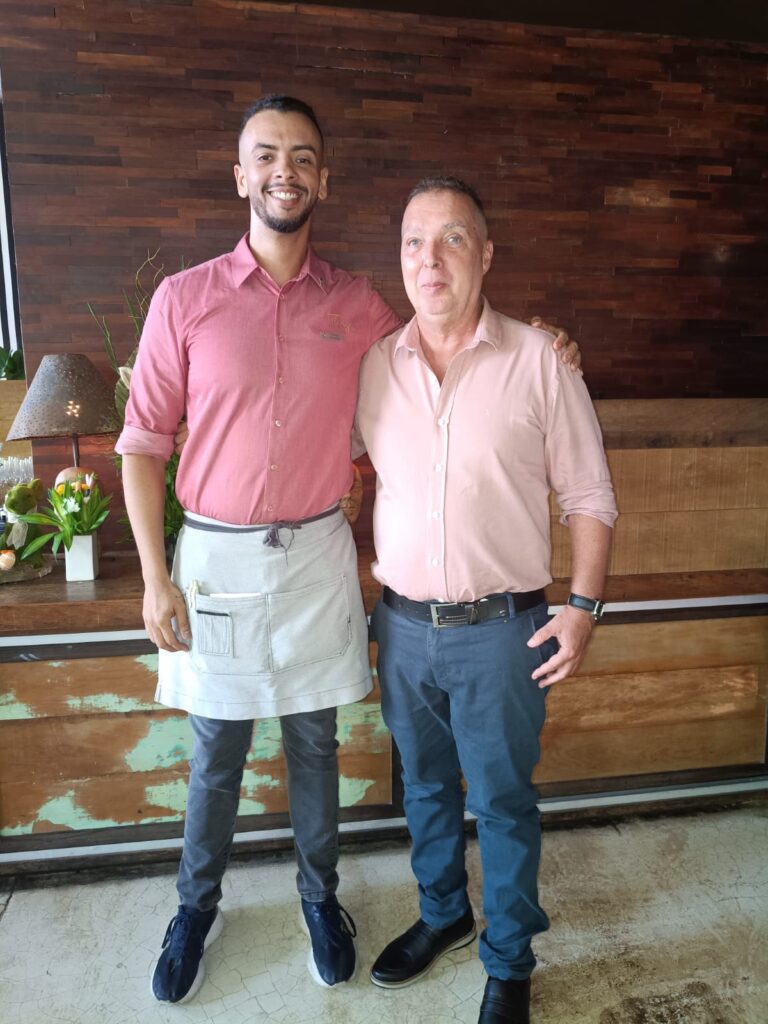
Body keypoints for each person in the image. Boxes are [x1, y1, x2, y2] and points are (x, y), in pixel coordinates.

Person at [116, 96, 580, 1006]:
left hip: (315, 554)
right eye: (265, 155)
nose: (283, 170)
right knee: (216, 751)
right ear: (241, 175)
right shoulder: (185, 299)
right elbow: (142, 443)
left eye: (302, 157)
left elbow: (441, 339)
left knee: (315, 744)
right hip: (214, 558)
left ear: (322, 180)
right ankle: (194, 909)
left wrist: (547, 346)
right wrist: (152, 575)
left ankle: (319, 899)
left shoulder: (359, 306)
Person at [355, 177, 617, 1024]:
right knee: (425, 790)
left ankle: (509, 960)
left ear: (487, 253)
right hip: (401, 627)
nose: (429, 259)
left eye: (452, 238)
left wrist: (583, 607)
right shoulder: (373, 366)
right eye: (413, 242)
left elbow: (590, 494)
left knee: (502, 802)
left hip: (503, 631)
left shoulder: (540, 360)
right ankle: (443, 915)